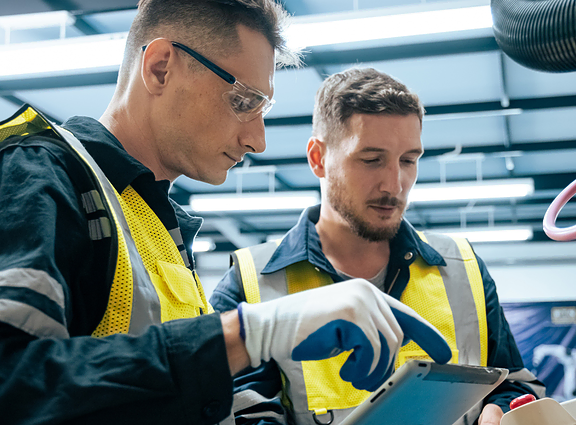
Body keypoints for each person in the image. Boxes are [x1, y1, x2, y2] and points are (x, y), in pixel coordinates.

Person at [0, 2, 452, 424]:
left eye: (263, 109)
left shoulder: (156, 227)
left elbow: (180, 398)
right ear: (160, 66)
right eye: (244, 100)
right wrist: (246, 334)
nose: (258, 139)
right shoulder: (33, 175)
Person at [210, 67, 546, 425]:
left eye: (408, 160)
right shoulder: (251, 283)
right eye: (371, 160)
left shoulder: (463, 268)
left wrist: (502, 410)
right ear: (317, 158)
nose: (394, 183)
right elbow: (240, 412)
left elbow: (513, 384)